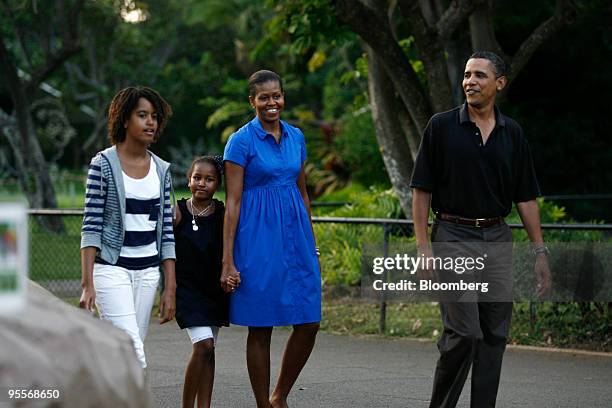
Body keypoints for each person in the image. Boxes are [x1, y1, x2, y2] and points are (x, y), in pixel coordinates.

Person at [410, 51, 551, 408]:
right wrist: (424, 246)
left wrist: (539, 252)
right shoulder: (441, 127)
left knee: (493, 336)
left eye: (479, 76)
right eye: (467, 74)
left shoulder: (512, 133)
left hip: (498, 238)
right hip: (453, 237)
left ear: (499, 83)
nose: (469, 81)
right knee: (464, 332)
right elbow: (421, 189)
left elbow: (526, 198)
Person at [222, 70, 321, 408]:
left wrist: (310, 239)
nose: (271, 103)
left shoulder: (296, 137)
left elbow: (302, 192)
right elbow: (232, 202)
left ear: (283, 96)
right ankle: (264, 404)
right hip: (257, 239)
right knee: (261, 326)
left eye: (276, 95)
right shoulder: (241, 141)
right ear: (252, 101)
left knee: (309, 321)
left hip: (297, 239)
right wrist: (228, 259)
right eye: (263, 97)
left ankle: (280, 395)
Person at [79, 86, 176, 369]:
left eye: (154, 117)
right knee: (134, 354)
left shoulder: (161, 169)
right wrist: (87, 285)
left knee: (124, 352)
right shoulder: (103, 164)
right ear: (124, 120)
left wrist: (169, 286)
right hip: (111, 269)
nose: (150, 122)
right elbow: (91, 224)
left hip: (147, 274)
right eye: (142, 115)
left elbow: (166, 232)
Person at [173, 155, 229, 408]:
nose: (202, 184)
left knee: (209, 350)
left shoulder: (222, 214)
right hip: (186, 290)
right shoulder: (178, 212)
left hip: (213, 291)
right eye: (197, 178)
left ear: (218, 184)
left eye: (209, 179)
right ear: (189, 179)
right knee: (203, 345)